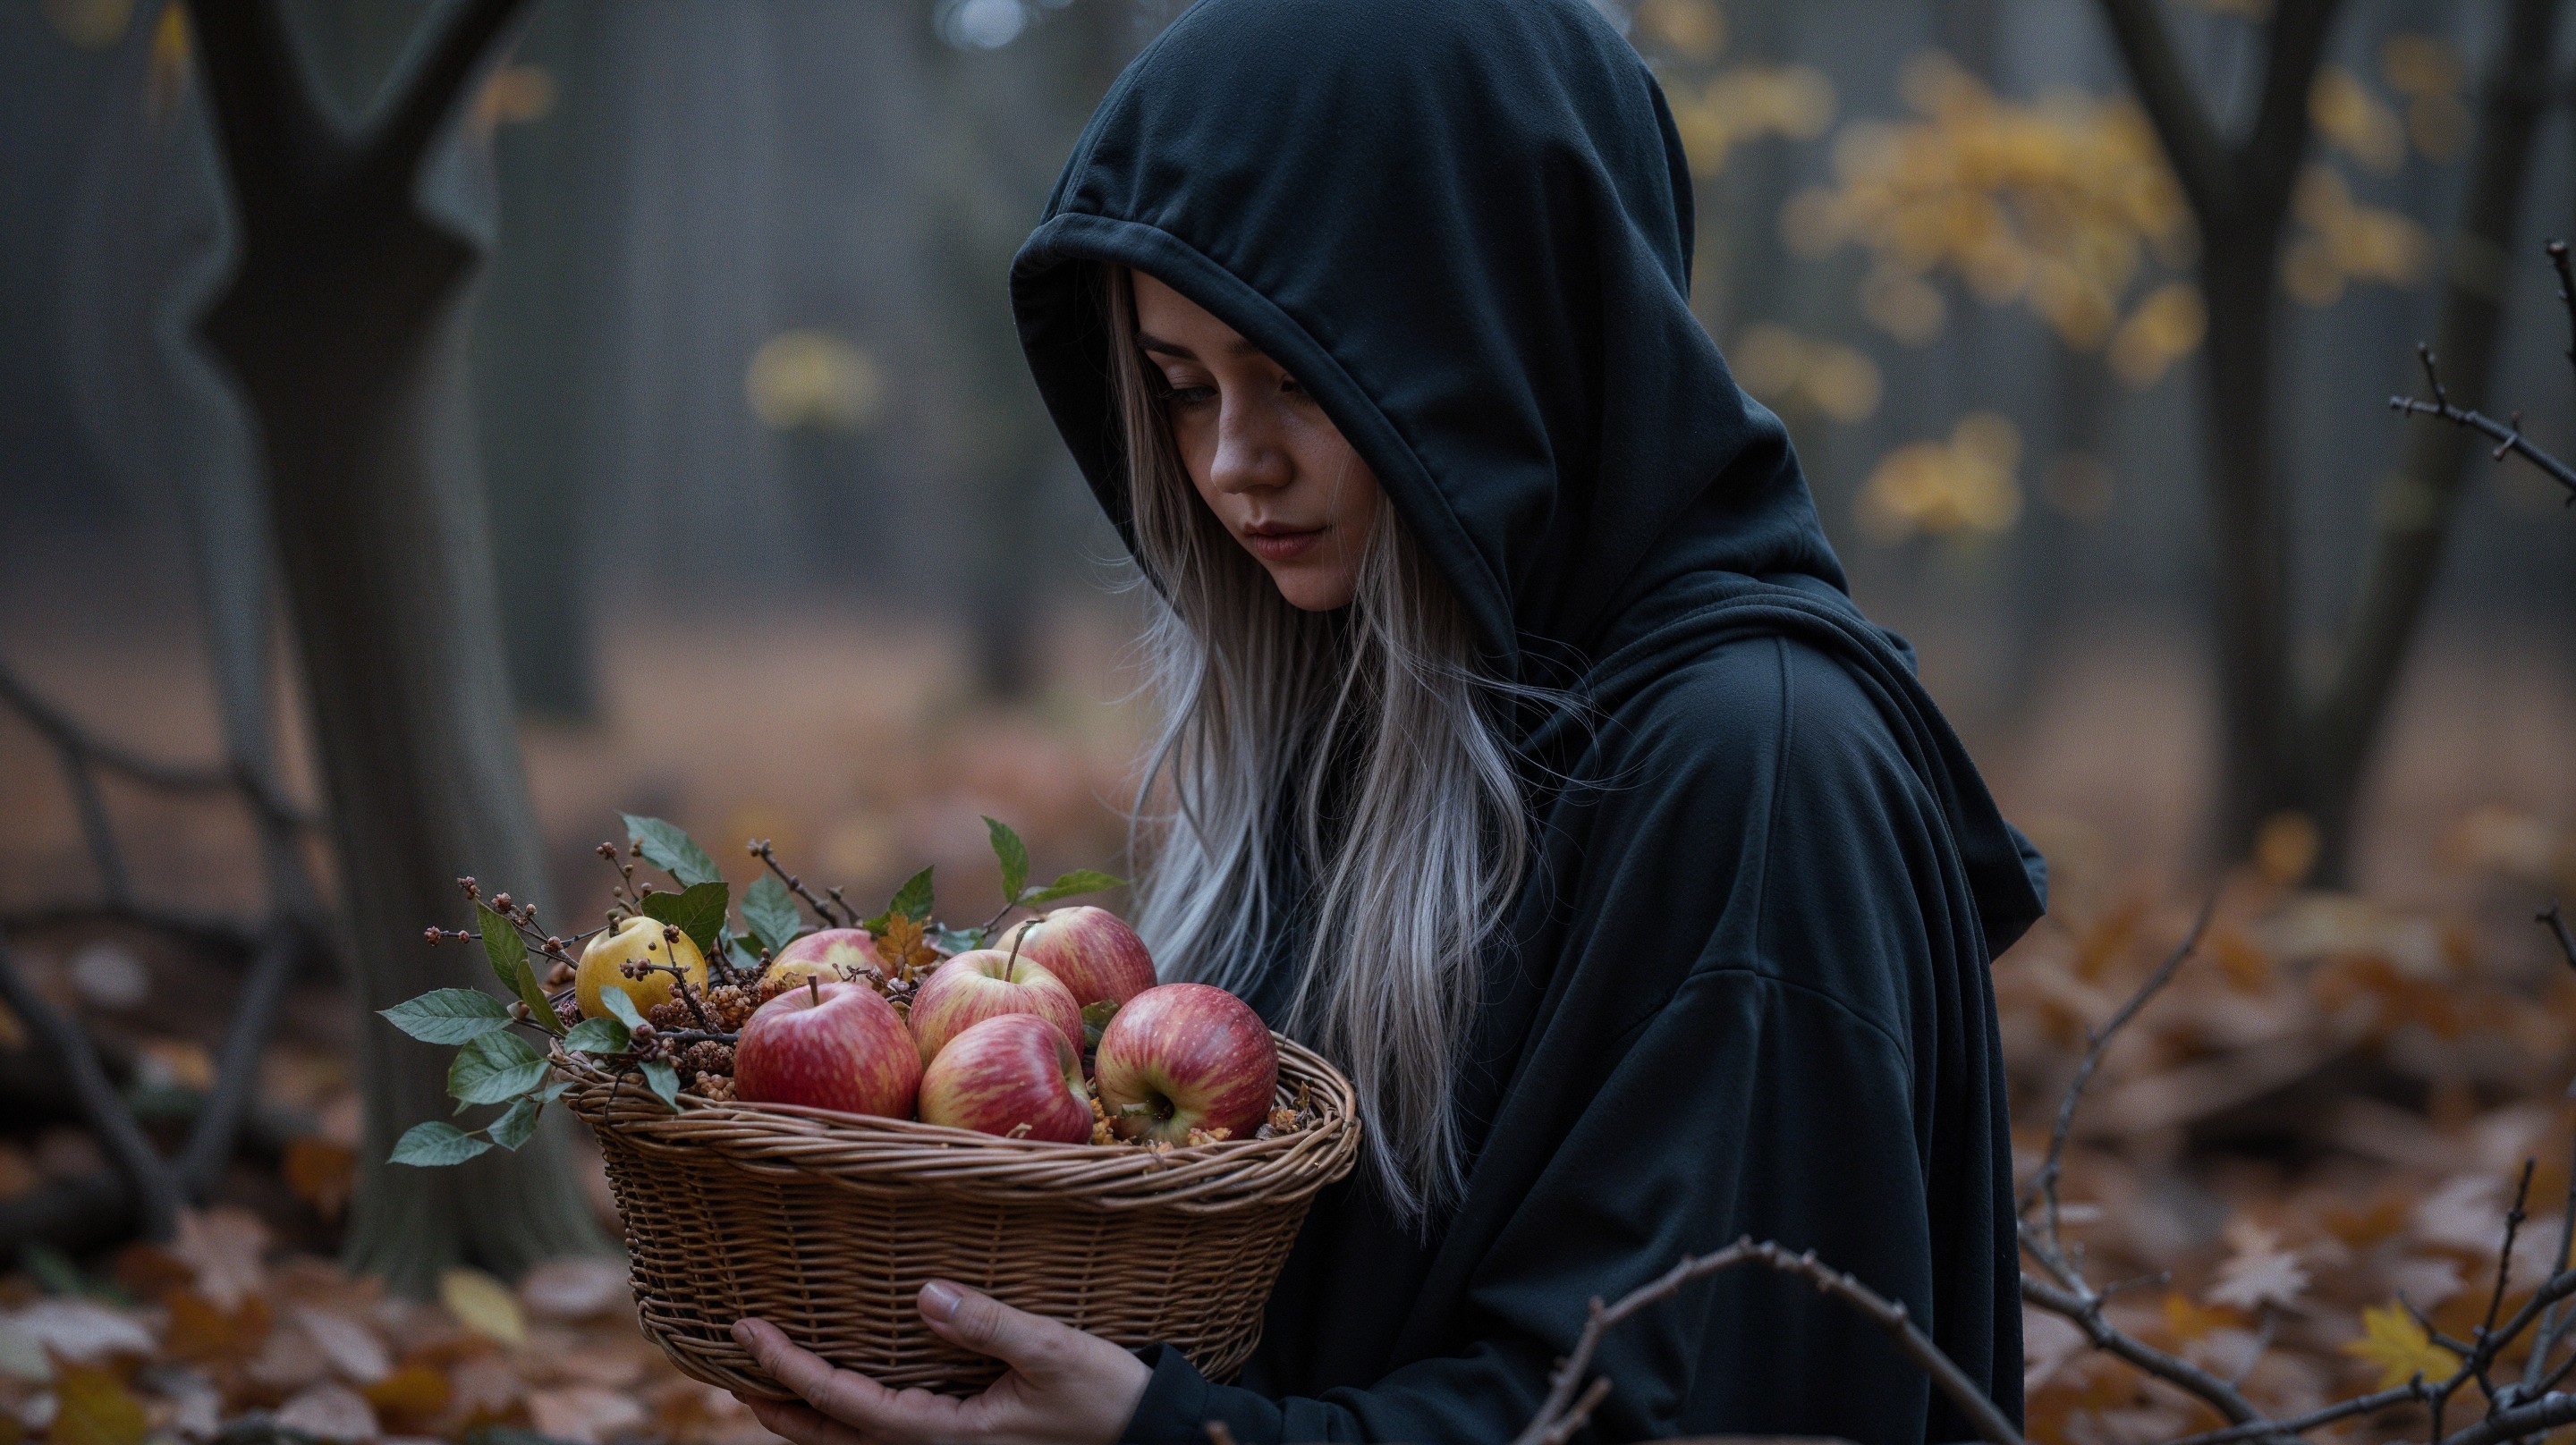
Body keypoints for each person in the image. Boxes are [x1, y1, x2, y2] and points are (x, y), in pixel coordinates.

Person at [727, 0, 2046, 1438]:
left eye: (1300, 377)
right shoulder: (1378, 698)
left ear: (1508, 340)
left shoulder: (1760, 768)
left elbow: (1700, 1403)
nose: (1234, 464)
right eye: (1179, 388)